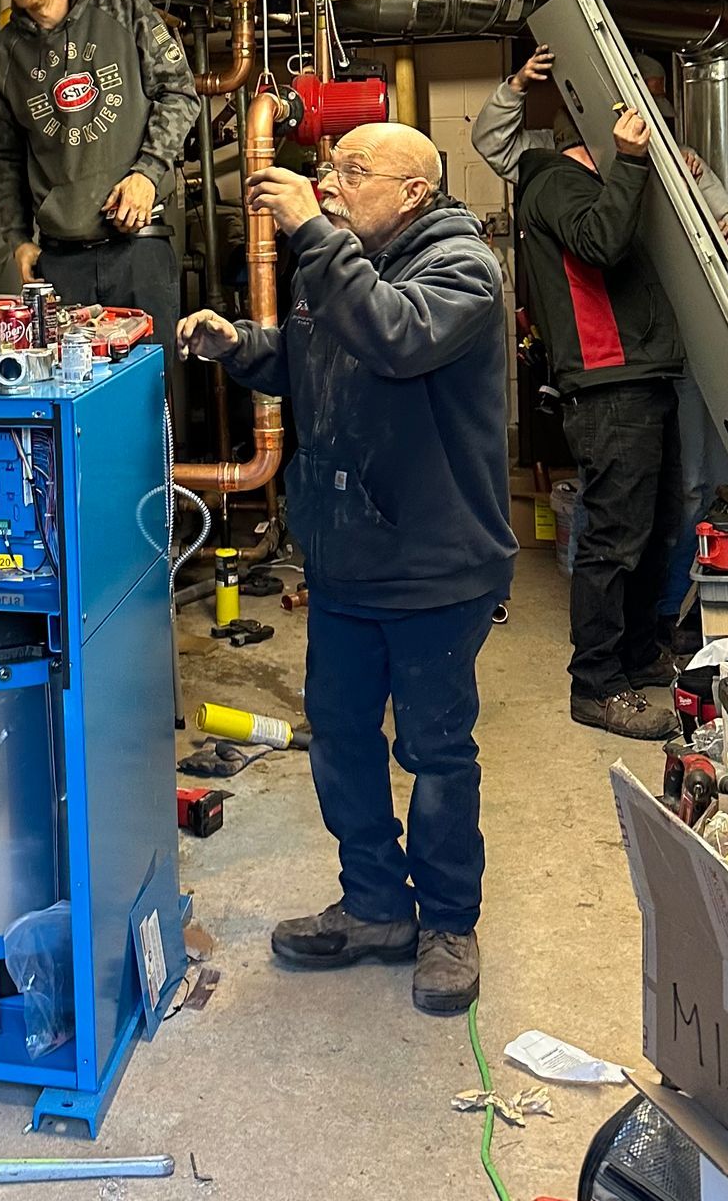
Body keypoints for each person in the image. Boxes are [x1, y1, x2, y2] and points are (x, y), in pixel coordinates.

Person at [179, 123, 515, 1018]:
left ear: (414, 191)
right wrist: (240, 347)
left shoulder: (463, 272)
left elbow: (394, 338)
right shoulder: (339, 261)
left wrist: (313, 235)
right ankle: (374, 907)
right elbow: (311, 359)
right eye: (329, 169)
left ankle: (448, 921)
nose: (329, 184)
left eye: (353, 172)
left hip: (435, 566)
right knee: (339, 740)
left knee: (436, 753)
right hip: (345, 560)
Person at [475, 45, 728, 651]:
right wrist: (518, 83)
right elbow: (492, 143)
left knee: (680, 492)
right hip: (619, 359)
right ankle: (609, 645)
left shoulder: (681, 165)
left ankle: (654, 617)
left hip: (681, 349)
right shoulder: (563, 172)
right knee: (621, 510)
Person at [511, 100, 684, 739]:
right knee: (613, 543)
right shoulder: (557, 180)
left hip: (640, 380)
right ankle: (597, 685)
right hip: (610, 385)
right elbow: (601, 244)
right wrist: (632, 162)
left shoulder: (589, 183)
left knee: (653, 531)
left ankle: (637, 657)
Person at [0, 0, 197, 359]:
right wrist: (18, 238)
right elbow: (3, 157)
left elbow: (180, 92)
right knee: (74, 399)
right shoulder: (1, 57)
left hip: (139, 250)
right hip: (61, 262)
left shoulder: (118, 4)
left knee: (150, 400)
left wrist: (148, 174)